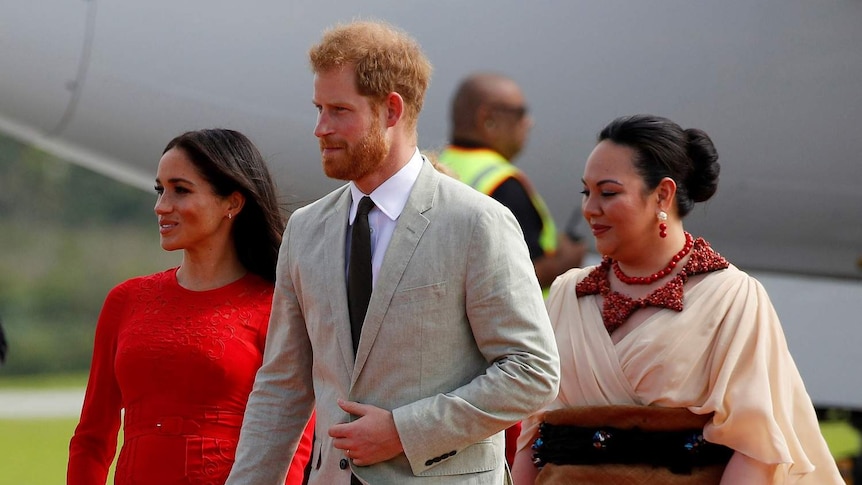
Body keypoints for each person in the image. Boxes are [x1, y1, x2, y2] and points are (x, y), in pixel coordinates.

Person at [226, 20, 560, 485]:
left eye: (338, 110)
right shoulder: (305, 231)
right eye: (319, 108)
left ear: (391, 110)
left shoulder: (477, 221)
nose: (320, 128)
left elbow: (533, 373)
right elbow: (282, 387)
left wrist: (406, 431)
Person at [512, 114, 843, 484]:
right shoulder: (566, 293)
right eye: (585, 192)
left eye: (608, 192)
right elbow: (534, 432)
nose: (590, 207)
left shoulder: (730, 297)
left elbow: (755, 447)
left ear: (663, 195)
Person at [67, 129, 314, 485]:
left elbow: (293, 446)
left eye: (180, 190)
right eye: (160, 189)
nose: (161, 206)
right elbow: (91, 438)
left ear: (232, 202)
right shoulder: (125, 301)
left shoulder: (279, 307)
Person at [438, 73, 585, 295]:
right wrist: (564, 263)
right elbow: (515, 278)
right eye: (521, 113)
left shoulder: (434, 165)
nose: (529, 122)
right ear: (487, 119)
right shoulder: (503, 183)